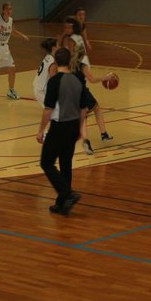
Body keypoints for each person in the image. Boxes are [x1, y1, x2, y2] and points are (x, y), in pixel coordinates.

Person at [36, 47, 87, 215]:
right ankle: (63, 203)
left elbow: (48, 110)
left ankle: (67, 193)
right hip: (73, 126)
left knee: (46, 162)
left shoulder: (55, 81)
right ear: (69, 60)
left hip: (59, 126)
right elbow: (84, 108)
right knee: (66, 164)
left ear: (56, 62)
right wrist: (80, 128)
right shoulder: (78, 79)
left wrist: (41, 130)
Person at [63, 18, 114, 155]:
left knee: (82, 117)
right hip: (81, 91)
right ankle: (103, 134)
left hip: (69, 92)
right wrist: (105, 77)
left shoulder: (67, 62)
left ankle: (86, 140)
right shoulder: (82, 64)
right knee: (96, 108)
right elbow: (92, 79)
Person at [0, 2, 29, 104]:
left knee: (12, 69)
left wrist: (22, 35)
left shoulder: (11, 20)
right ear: (3, 10)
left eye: (10, 9)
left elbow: (12, 31)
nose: (9, 11)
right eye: (7, 9)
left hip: (5, 47)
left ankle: (11, 90)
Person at [33, 38, 58, 106]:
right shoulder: (52, 63)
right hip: (41, 91)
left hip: (38, 87)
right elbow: (53, 81)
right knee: (56, 110)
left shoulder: (48, 56)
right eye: (58, 45)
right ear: (54, 48)